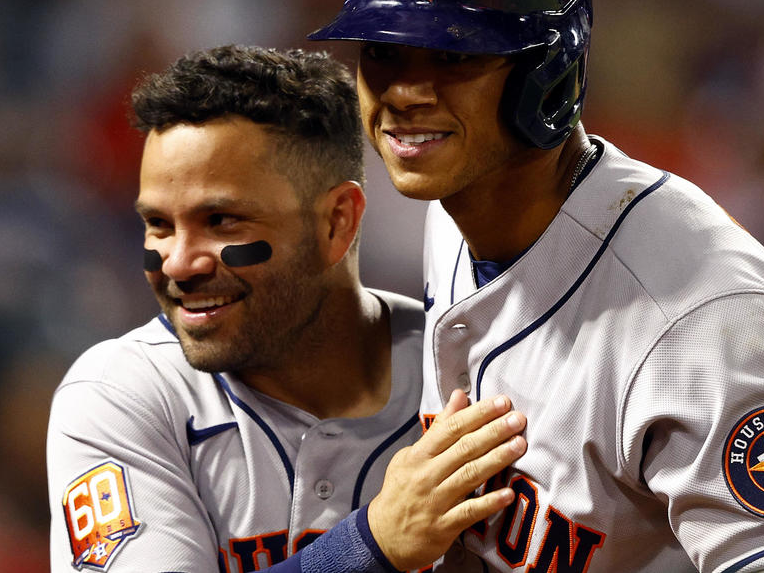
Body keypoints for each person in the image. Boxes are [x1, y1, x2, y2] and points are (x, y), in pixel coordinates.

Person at [309, 0, 764, 571]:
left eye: (452, 54)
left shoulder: (702, 315)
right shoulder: (456, 209)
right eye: (383, 52)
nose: (403, 92)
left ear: (548, 71)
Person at [46, 45, 529, 573]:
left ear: (336, 222)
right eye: (159, 225)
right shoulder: (124, 395)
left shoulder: (471, 372)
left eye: (222, 220)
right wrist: (371, 545)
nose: (178, 263)